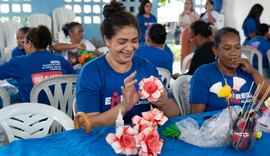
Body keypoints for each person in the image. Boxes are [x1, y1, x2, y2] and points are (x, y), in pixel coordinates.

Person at [76, 2, 179, 128]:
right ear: (107, 39)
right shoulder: (92, 72)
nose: (130, 48)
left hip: (142, 141)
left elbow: (175, 113)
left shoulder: (146, 68)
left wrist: (164, 102)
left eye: (134, 41)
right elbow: (86, 124)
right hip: (101, 141)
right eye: (122, 42)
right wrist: (124, 106)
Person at [190, 27, 269, 114]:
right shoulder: (204, 74)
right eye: (227, 48)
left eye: (237, 47)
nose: (234, 53)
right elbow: (196, 115)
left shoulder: (246, 72)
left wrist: (253, 72)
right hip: (215, 126)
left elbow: (268, 97)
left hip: (247, 125)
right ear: (216, 50)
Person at [0, 25, 75, 102]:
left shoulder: (19, 62)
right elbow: (73, 77)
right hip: (63, 111)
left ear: (29, 44)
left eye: (24, 42)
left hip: (34, 112)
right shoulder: (59, 58)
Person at [178, 0, 199, 71]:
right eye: (186, 3)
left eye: (189, 3)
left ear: (192, 5)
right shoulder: (181, 14)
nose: (188, 5)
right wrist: (189, 24)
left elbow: (196, 23)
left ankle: (191, 69)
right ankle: (183, 69)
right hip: (184, 32)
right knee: (184, 51)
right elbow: (180, 24)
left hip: (193, 32)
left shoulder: (195, 14)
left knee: (192, 51)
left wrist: (190, 14)